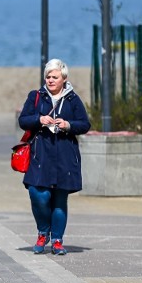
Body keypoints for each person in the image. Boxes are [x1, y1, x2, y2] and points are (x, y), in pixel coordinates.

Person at [18, 59, 91, 256]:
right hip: (40, 154)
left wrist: (68, 125)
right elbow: (23, 121)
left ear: (64, 78)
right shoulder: (36, 96)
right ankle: (43, 232)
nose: (50, 80)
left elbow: (85, 124)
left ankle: (57, 240)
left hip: (65, 154)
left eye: (55, 77)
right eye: (48, 76)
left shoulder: (72, 99)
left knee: (60, 199)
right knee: (37, 194)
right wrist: (38, 119)